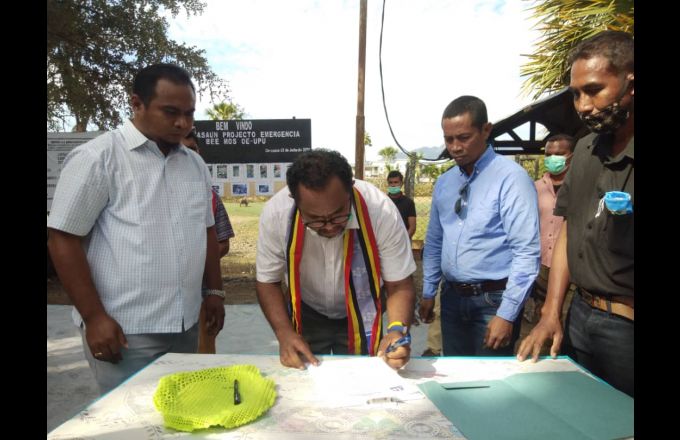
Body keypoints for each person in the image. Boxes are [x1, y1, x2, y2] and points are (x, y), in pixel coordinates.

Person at [47, 63, 225, 394]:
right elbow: (63, 238)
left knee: (179, 413)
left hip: (185, 324)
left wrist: (213, 292)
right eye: (170, 111)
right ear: (136, 103)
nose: (182, 123)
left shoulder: (194, 165)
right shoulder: (98, 158)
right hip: (124, 332)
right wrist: (94, 317)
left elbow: (207, 230)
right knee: (128, 423)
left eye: (189, 113)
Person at [517, 31, 634, 397]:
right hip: (581, 315)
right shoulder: (584, 150)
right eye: (576, 94)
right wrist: (552, 312)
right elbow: (568, 229)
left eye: (595, 89)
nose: (583, 105)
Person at [256, 149, 416, 370]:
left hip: (364, 312)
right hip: (307, 312)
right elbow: (268, 281)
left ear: (350, 189)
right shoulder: (276, 213)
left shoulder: (381, 211)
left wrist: (397, 329)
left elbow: (399, 283)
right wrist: (284, 332)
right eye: (315, 219)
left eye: (338, 214)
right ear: (295, 200)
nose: (330, 227)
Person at [419, 95, 540, 356]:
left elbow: (526, 251)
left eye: (463, 137)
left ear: (486, 130)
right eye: (448, 139)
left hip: (493, 301)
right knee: (454, 379)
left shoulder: (511, 179)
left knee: (490, 387)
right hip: (452, 298)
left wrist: (507, 314)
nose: (455, 147)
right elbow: (435, 242)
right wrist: (429, 291)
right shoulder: (446, 182)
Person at [182, 130, 236, 354]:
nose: (188, 156)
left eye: (192, 150)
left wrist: (199, 259)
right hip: (162, 298)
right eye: (181, 150)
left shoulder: (210, 196)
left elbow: (222, 242)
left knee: (205, 350)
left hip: (204, 290)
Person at [523, 134, 577, 325]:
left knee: (568, 316)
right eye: (548, 154)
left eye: (559, 154)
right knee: (542, 316)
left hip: (571, 266)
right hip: (541, 266)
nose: (553, 159)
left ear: (572, 155)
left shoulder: (580, 186)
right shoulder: (533, 188)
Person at [386, 170, 416, 239]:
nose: (393, 185)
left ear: (401, 183)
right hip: (386, 240)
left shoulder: (409, 203)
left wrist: (403, 241)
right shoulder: (383, 202)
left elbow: (412, 227)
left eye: (396, 182)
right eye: (390, 182)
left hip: (403, 240)